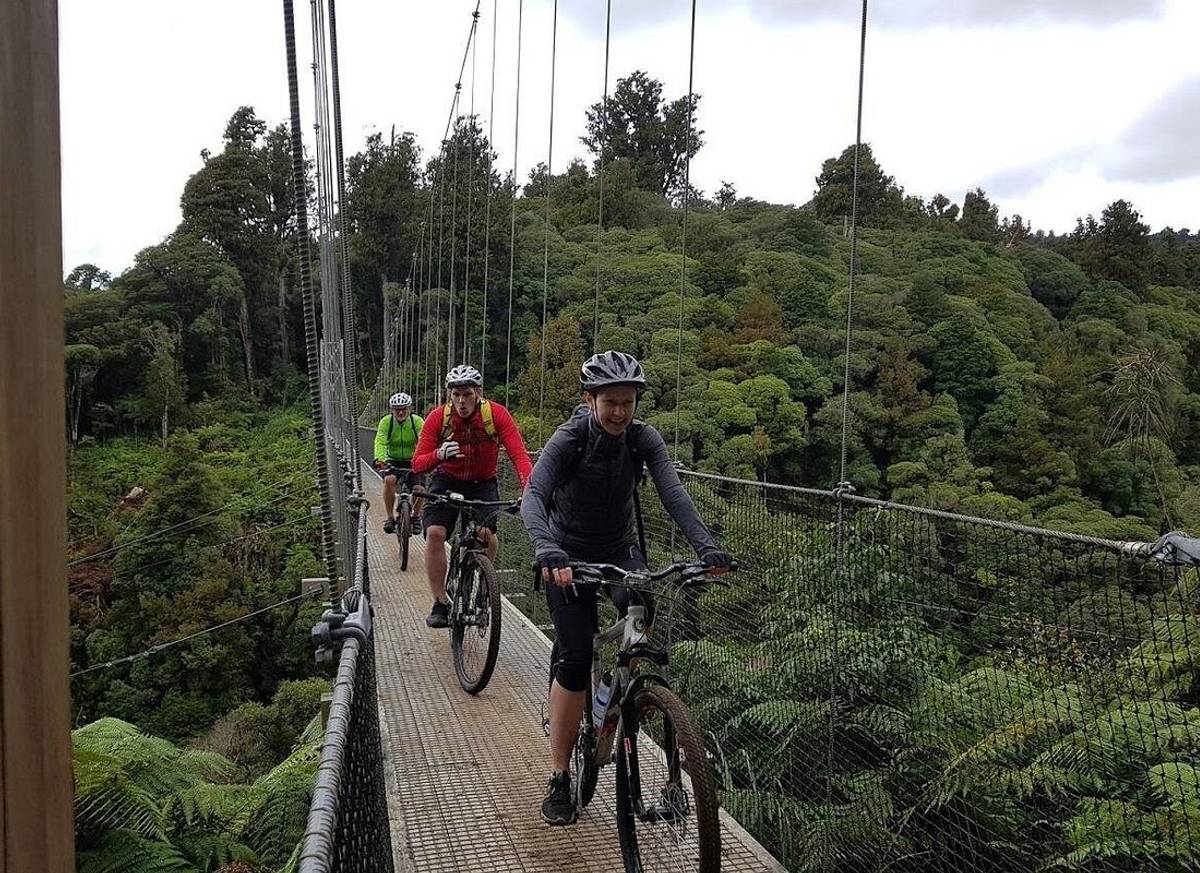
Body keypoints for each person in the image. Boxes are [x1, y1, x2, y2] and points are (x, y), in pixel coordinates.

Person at [520, 350, 732, 826]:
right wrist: (545, 547)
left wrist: (706, 548)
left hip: (619, 550)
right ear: (589, 399)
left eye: (628, 402)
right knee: (574, 659)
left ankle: (624, 701)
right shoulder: (570, 437)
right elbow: (533, 494)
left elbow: (672, 491)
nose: (619, 412)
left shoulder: (643, 440)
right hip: (567, 553)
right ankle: (558, 776)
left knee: (640, 615)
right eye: (610, 402)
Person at [411, 364, 533, 629]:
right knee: (434, 533)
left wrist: (529, 488)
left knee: (486, 535)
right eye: (456, 395)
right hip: (446, 479)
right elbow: (418, 464)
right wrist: (439, 455)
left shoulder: (496, 415)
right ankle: (440, 602)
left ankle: (484, 583)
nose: (461, 401)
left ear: (478, 392)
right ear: (449, 395)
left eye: (467, 394)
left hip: (482, 483)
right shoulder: (438, 418)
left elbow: (519, 454)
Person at [373, 392, 425, 535]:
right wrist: (380, 460)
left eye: (403, 408)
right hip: (393, 460)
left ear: (409, 409)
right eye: (397, 409)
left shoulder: (417, 422)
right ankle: (390, 518)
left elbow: (424, 440)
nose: (400, 412)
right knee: (389, 480)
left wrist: (425, 458)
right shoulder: (386, 422)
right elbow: (380, 441)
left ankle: (416, 516)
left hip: (413, 460)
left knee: (419, 489)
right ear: (392, 410)